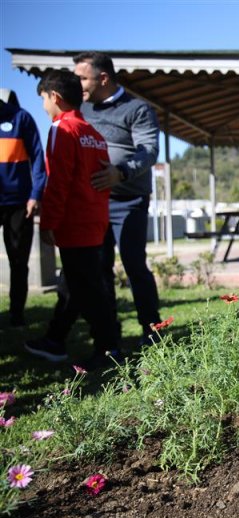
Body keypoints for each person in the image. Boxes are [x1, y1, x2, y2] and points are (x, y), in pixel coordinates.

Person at [25, 52, 162, 360]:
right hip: (94, 203)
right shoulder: (80, 111)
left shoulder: (136, 108)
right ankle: (108, 336)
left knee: (133, 264)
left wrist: (121, 171)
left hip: (128, 199)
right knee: (95, 271)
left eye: (82, 77)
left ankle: (152, 331)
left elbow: (149, 150)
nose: (78, 83)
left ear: (103, 78)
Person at [24, 71, 120, 364]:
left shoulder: (61, 129)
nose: (42, 106)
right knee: (75, 284)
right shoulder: (94, 134)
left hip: (74, 223)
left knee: (89, 290)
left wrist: (48, 223)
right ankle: (55, 340)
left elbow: (58, 182)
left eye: (42, 99)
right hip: (95, 220)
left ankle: (108, 349)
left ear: (55, 97)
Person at [0, 89, 47, 328]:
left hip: (19, 202)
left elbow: (39, 157)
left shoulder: (21, 118)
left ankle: (16, 315)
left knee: (18, 261)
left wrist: (35, 194)